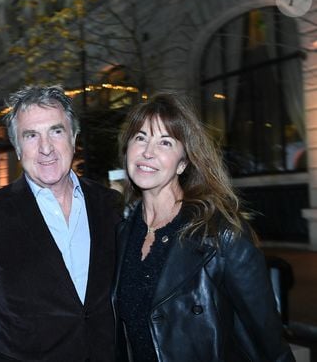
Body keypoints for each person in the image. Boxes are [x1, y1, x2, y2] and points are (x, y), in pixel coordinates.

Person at [112, 92, 294, 361]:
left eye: (165, 142)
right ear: (127, 149)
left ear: (183, 163)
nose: (148, 152)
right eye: (140, 138)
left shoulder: (221, 233)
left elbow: (267, 339)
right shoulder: (123, 233)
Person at [0, 85, 123, 361]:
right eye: (31, 136)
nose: (46, 148)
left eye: (56, 131)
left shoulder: (110, 205)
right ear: (18, 149)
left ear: (73, 138)